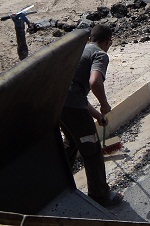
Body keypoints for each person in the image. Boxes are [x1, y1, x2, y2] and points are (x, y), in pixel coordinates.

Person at [60, 24, 123, 207]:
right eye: (109, 43)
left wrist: (97, 115)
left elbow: (76, 92)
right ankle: (100, 196)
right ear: (107, 42)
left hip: (57, 103)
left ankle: (58, 183)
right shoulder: (100, 54)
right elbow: (94, 82)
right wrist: (104, 105)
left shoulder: (80, 51)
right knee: (92, 150)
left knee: (71, 143)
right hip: (72, 106)